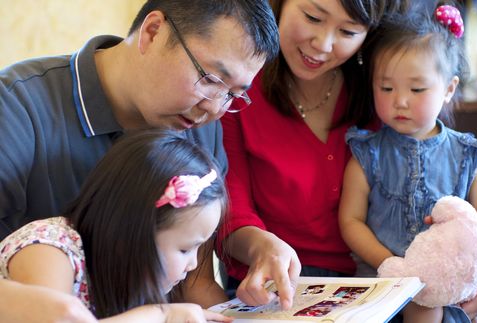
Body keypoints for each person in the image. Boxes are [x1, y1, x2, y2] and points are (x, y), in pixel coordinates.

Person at [0, 0, 279, 321]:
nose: (214, 109)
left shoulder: (201, 128)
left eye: (232, 95)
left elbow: (195, 283)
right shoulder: (16, 109)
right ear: (153, 31)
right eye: (212, 80)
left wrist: (258, 246)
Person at [216, 0, 411, 311]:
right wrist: (262, 247)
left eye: (347, 31)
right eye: (312, 17)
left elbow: (439, 169)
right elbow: (228, 211)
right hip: (272, 287)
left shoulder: (385, 93)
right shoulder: (239, 88)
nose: (322, 44)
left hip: (379, 280)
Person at [338, 5, 477, 322]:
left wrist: (466, 226)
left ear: (448, 89)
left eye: (416, 89)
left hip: (452, 286)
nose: (400, 100)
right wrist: (390, 264)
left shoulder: (467, 152)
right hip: (385, 287)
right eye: (386, 88)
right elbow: (351, 221)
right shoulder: (367, 153)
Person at [0, 130, 233, 322]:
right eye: (185, 249)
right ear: (134, 231)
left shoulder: (129, 275)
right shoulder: (48, 249)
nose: (193, 265)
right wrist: (161, 315)